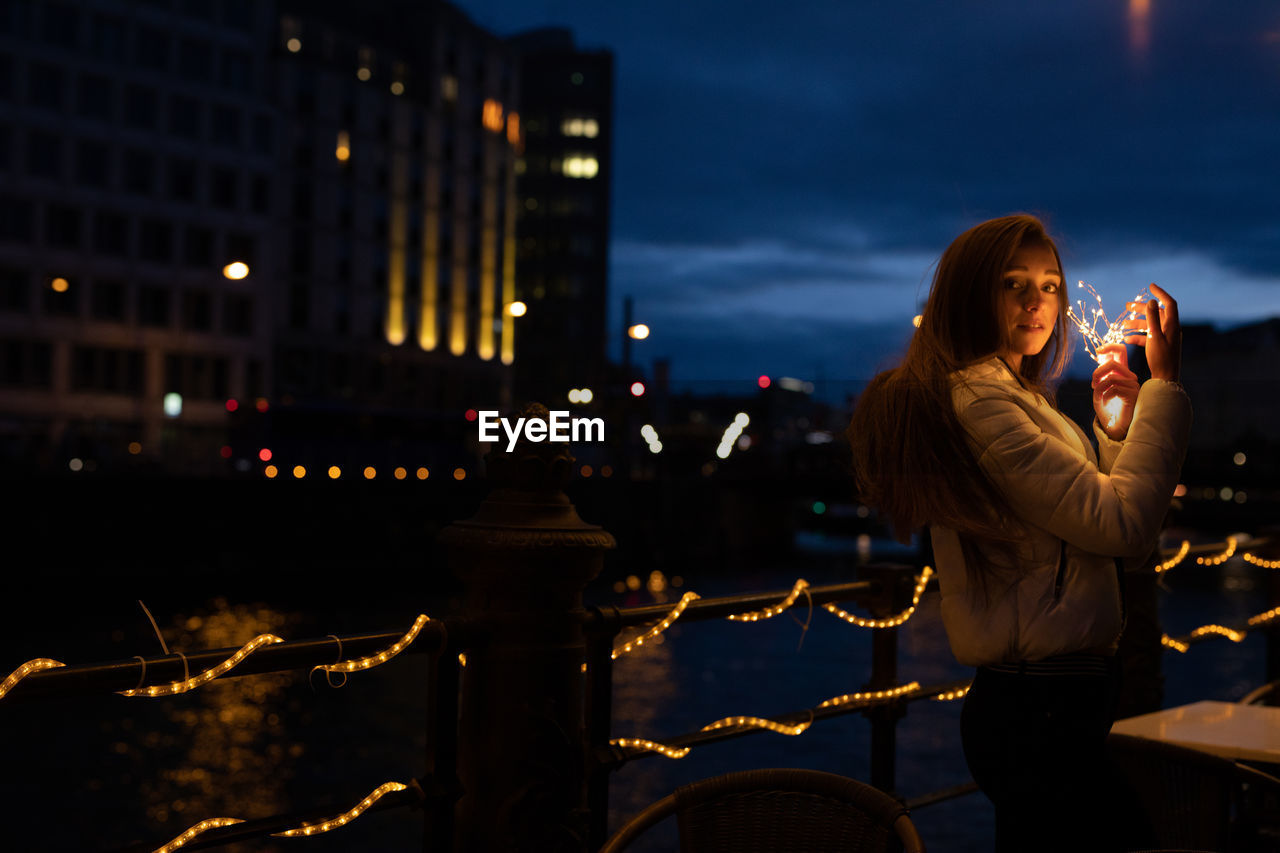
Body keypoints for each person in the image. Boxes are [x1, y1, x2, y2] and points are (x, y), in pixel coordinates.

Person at [847, 214, 1189, 852]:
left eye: (1051, 284)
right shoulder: (984, 404)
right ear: (973, 295)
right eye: (1014, 284)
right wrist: (1165, 388)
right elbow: (1124, 527)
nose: (1039, 302)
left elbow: (1106, 523)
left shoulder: (1018, 398)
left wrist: (1115, 428)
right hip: (1039, 707)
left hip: (1052, 701)